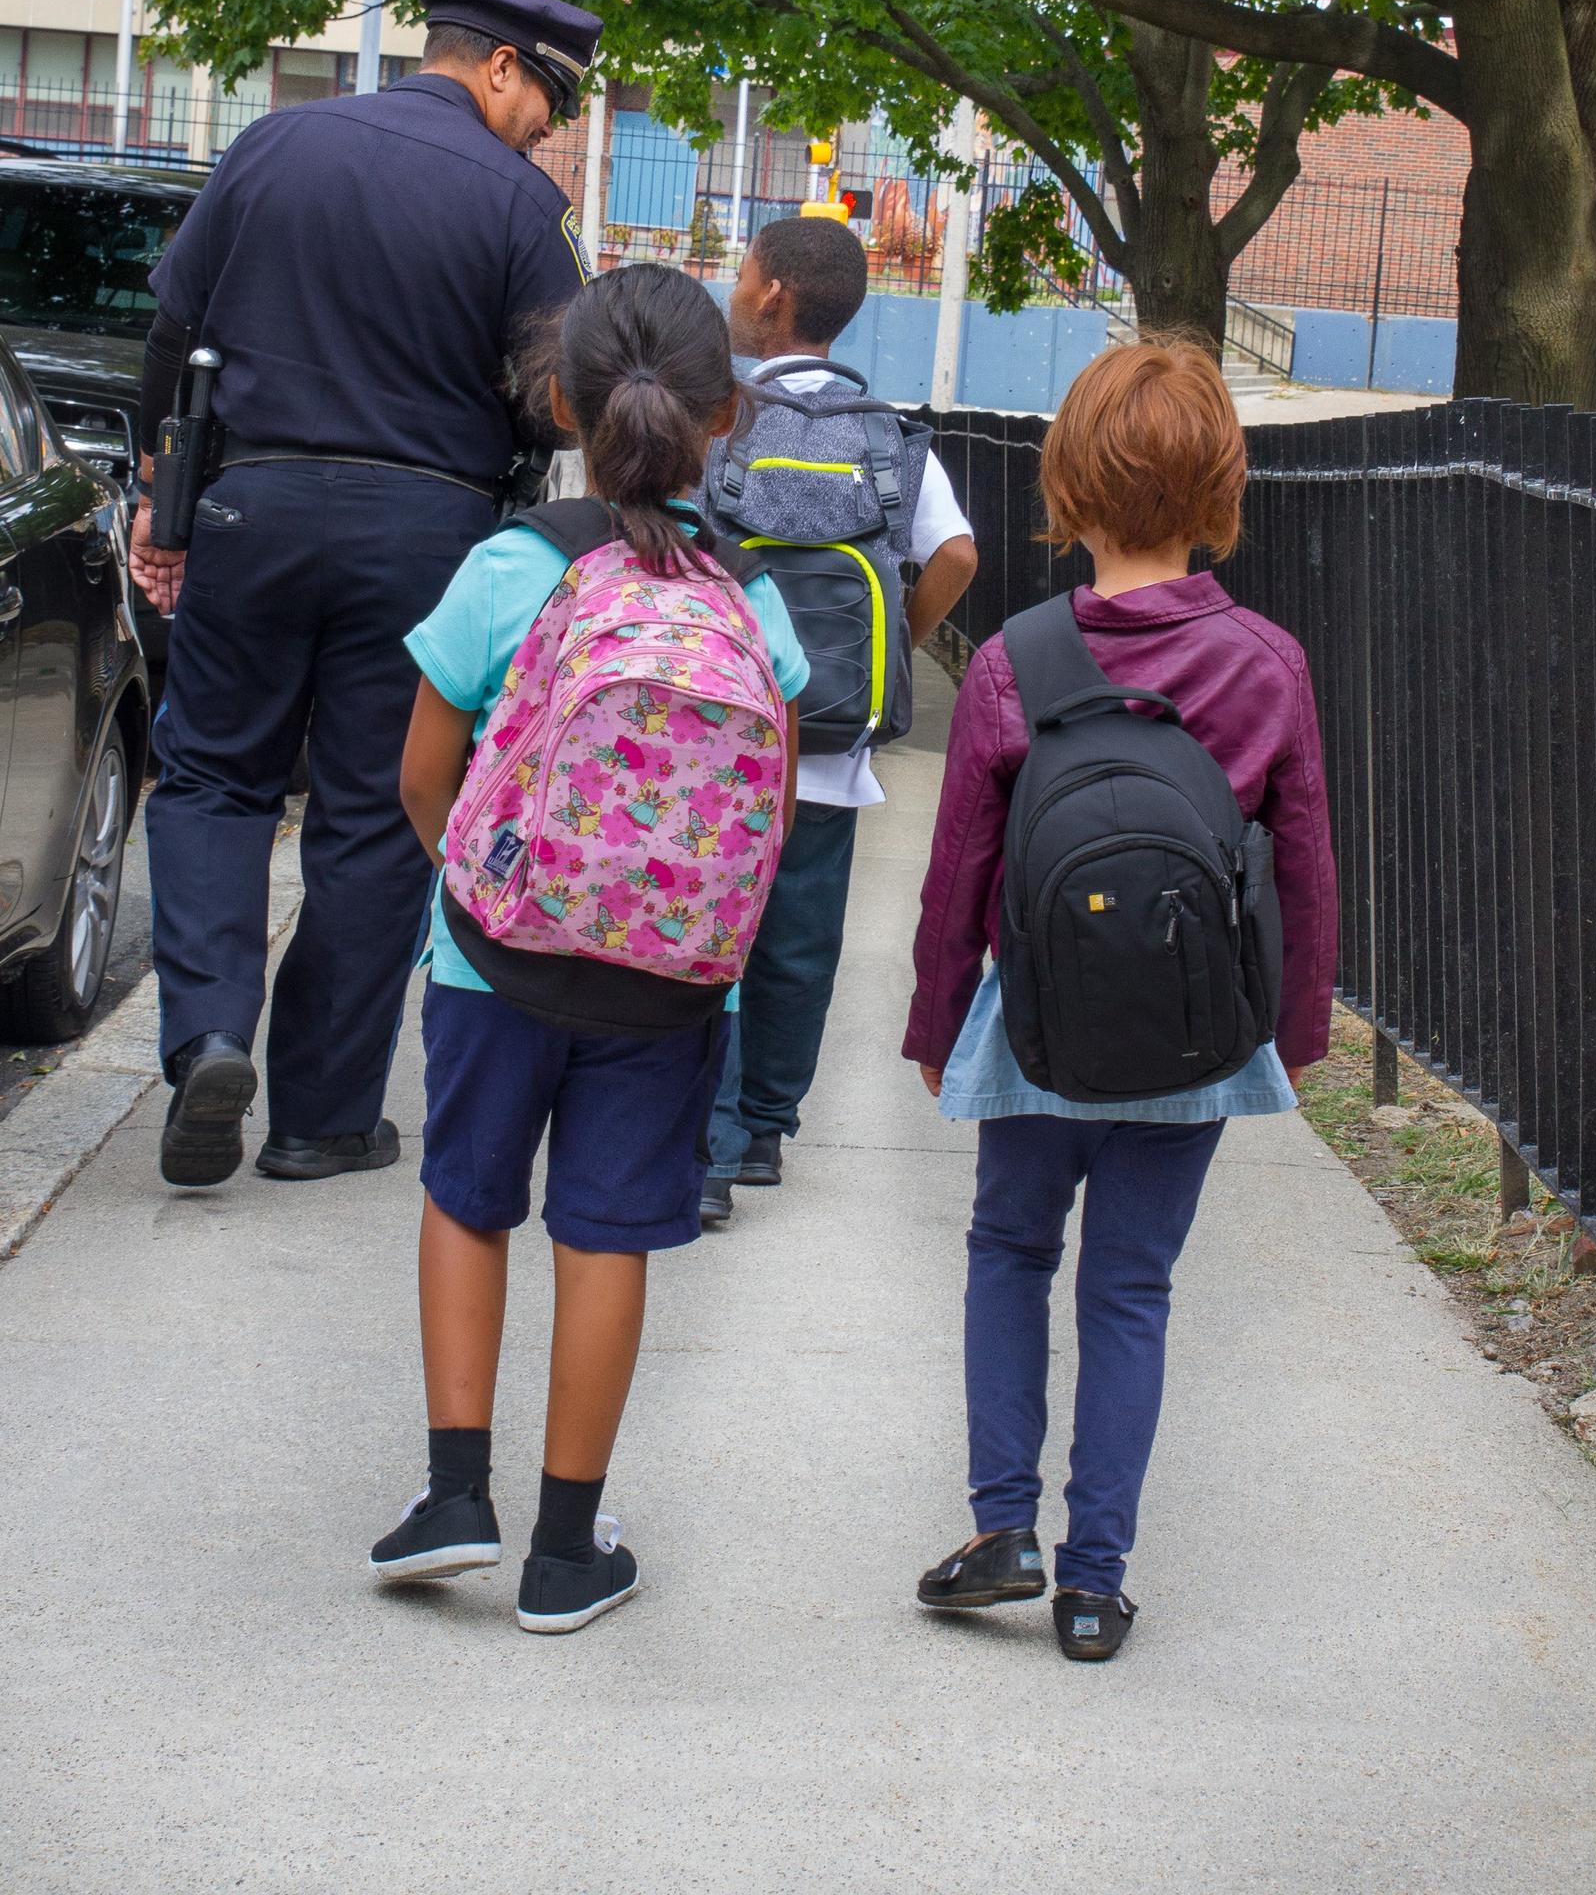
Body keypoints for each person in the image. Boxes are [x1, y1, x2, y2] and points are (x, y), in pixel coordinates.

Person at [367, 266, 809, 1633]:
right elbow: (770, 811)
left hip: (491, 963)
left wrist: (480, 890)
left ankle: (454, 1495)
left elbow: (420, 776)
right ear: (723, 419)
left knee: (467, 1196)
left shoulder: (513, 568)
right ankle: (568, 1550)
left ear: (558, 402)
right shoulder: (749, 604)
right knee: (607, 1235)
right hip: (667, 989)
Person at [904, 339, 1335, 1662]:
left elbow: (962, 868)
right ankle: (1097, 1583)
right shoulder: (1267, 663)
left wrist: (938, 1023)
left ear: (1070, 486)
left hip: (1038, 1023)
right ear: (1219, 486)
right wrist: (1297, 1030)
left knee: (1009, 1253)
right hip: (1199, 1035)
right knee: (1133, 1286)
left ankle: (1002, 1529)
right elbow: (1305, 860)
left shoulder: (1015, 662)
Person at [136, 0, 603, 1191]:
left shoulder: (272, 144)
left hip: (254, 503)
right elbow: (555, 399)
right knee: (378, 812)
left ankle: (209, 1037)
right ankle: (322, 1120)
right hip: (427, 532)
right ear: (499, 66)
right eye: (546, 97)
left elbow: (173, 329)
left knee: (210, 780)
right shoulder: (521, 207)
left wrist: (163, 498)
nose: (546, 127)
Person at [698, 216, 977, 1224]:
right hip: (829, 745)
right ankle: (766, 1126)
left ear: (769, 294)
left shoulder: (724, 420)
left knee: (716, 933)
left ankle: (713, 1141)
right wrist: (895, 639)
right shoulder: (884, 434)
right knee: (799, 941)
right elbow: (954, 555)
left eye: (740, 274)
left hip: (726, 738)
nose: (732, 289)